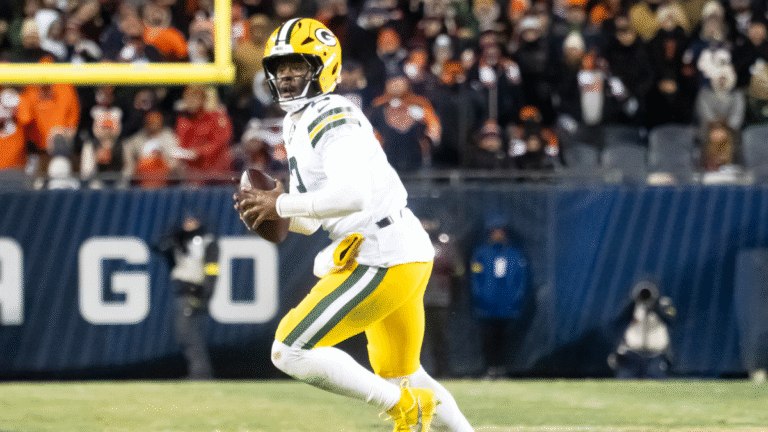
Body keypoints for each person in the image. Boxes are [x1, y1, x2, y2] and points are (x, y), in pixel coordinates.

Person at [234, 18, 473, 432]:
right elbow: (313, 218)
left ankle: (405, 405)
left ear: (324, 67)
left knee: (290, 350)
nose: (288, 77)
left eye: (298, 66)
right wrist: (276, 212)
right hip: (397, 247)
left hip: (382, 252)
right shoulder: (299, 120)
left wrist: (283, 201)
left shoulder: (329, 113)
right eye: (281, 69)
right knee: (405, 373)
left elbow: (352, 196)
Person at [156, 215, 219, 380]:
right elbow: (158, 246)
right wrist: (174, 234)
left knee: (188, 332)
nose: (188, 225)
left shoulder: (206, 241)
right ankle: (199, 371)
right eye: (186, 221)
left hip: (193, 291)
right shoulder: (179, 240)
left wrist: (206, 294)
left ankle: (201, 372)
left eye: (193, 221)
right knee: (184, 333)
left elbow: (212, 270)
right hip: (182, 291)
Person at [469, 217, 528, 380]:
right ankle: (490, 369)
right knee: (488, 338)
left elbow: (520, 278)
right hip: (486, 306)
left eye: (500, 230)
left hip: (507, 306)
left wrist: (516, 296)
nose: (497, 234)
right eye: (494, 231)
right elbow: (476, 276)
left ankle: (502, 369)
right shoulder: (480, 254)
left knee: (505, 339)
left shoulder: (514, 254)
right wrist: (480, 295)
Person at [608, 280, 676, 379]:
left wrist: (656, 308)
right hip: (632, 355)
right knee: (624, 384)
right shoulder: (633, 307)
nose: (646, 296)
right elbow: (617, 323)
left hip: (656, 356)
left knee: (657, 386)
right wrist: (631, 304)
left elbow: (670, 320)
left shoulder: (663, 305)